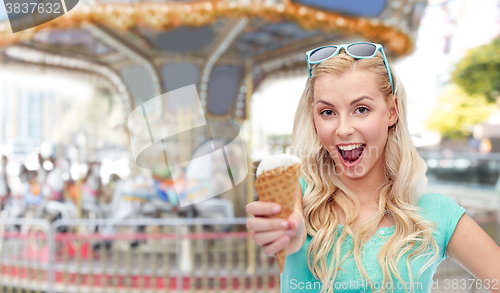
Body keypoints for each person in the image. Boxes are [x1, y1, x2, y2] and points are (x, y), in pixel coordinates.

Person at [245, 42, 500, 293]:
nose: (343, 129)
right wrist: (290, 231)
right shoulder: (298, 195)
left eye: (361, 109)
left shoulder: (437, 214)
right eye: (328, 112)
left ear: (392, 111)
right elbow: (291, 230)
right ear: (313, 117)